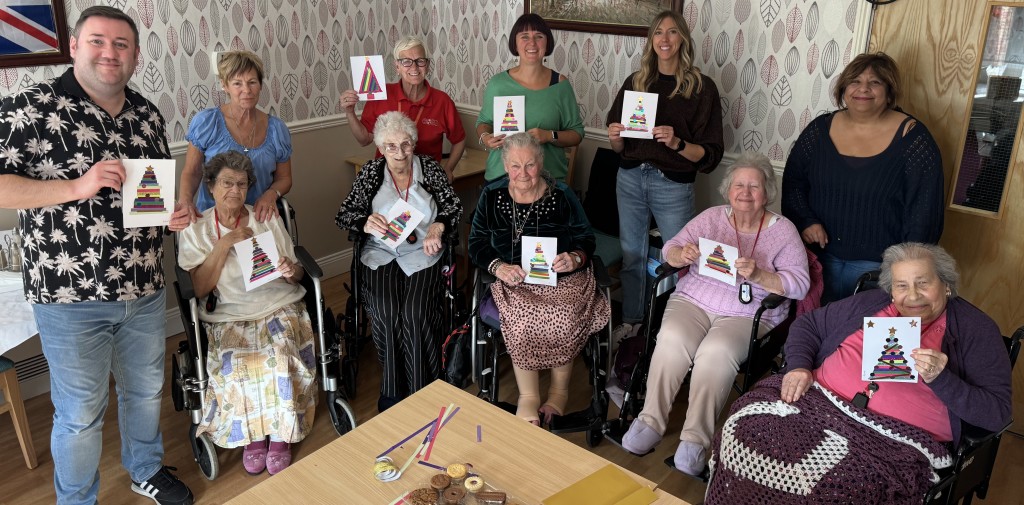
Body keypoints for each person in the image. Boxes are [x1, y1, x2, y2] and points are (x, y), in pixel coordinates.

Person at [0, 6, 194, 505]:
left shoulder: (147, 113)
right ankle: (77, 499)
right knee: (80, 412)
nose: (110, 52)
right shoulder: (28, 108)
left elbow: (148, 192)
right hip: (71, 298)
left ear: (134, 54)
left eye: (122, 44)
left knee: (145, 392)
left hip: (144, 289)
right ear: (75, 47)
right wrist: (76, 187)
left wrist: (172, 212)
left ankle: (144, 470)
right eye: (98, 41)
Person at [705, 243, 1012, 504]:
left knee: (839, 486)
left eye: (924, 283)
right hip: (816, 404)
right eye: (901, 286)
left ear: (946, 284)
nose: (912, 296)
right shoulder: (873, 304)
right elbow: (809, 325)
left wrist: (943, 379)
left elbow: (996, 414)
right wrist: (798, 365)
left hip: (893, 442)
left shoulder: (977, 330)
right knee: (742, 430)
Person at [618, 153, 809, 475]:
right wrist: (682, 254)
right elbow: (671, 248)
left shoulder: (783, 230)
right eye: (739, 185)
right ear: (727, 189)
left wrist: (761, 276)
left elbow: (800, 285)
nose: (745, 192)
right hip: (694, 299)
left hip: (747, 312)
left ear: (767, 192)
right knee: (671, 339)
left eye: (754, 186)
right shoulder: (711, 217)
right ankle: (650, 420)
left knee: (715, 354)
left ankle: (695, 439)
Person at [177, 151, 316, 476]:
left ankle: (281, 435)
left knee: (280, 354)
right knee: (236, 362)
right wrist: (224, 245)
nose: (235, 191)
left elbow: (296, 275)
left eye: (241, 184)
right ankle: (253, 436)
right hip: (228, 314)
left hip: (277, 303)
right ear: (210, 186)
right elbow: (197, 289)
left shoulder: (265, 217)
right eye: (227, 183)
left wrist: (288, 269)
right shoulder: (196, 229)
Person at [468, 133, 611, 425]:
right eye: (516, 166)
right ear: (506, 166)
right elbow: (476, 242)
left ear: (541, 163)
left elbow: (586, 238)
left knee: (567, 317)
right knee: (521, 320)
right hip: (514, 279)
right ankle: (529, 396)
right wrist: (498, 267)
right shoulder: (492, 195)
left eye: (530, 165)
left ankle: (559, 392)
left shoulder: (562, 194)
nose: (523, 173)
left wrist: (574, 258)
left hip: (563, 277)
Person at [782, 52, 944, 303]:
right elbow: (794, 184)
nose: (863, 89)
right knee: (813, 329)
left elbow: (924, 211)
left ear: (889, 92)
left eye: (875, 82)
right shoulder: (818, 130)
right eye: (855, 81)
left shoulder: (914, 139)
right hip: (817, 259)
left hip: (877, 268)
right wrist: (805, 220)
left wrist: (902, 268)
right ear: (844, 88)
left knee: (856, 338)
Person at [606, 10, 724, 339]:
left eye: (672, 32)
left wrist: (677, 142)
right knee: (633, 255)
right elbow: (619, 146)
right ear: (651, 41)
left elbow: (710, 155)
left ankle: (674, 326)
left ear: (683, 39)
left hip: (673, 184)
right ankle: (633, 320)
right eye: (659, 33)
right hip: (629, 177)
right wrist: (615, 138)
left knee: (681, 259)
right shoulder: (637, 82)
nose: (665, 39)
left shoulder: (702, 88)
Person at [335, 111, 462, 412]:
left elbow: (452, 206)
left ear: (414, 143)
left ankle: (423, 388)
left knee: (415, 311)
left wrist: (438, 226)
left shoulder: (429, 169)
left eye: (405, 144)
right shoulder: (371, 172)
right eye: (391, 146)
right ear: (380, 146)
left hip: (423, 253)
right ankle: (392, 389)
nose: (400, 152)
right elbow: (344, 214)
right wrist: (365, 221)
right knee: (386, 308)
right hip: (382, 254)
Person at [178, 50, 293, 223]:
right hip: (214, 220)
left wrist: (271, 194)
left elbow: (284, 178)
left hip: (258, 219)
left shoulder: (277, 129)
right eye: (237, 83)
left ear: (260, 85)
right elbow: (192, 172)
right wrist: (185, 201)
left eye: (252, 82)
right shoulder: (207, 122)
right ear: (225, 85)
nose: (246, 90)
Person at [340, 36, 466, 182]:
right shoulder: (382, 95)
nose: (414, 67)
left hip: (426, 180)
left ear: (427, 65)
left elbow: (459, 139)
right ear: (397, 67)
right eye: (406, 62)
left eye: (420, 61)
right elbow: (364, 139)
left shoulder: (442, 101)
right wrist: (350, 112)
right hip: (386, 180)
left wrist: (449, 168)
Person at [476, 13, 584, 182]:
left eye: (539, 36)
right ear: (515, 44)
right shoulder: (497, 84)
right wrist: (485, 138)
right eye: (524, 37)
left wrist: (549, 136)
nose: (532, 43)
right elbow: (483, 123)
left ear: (547, 43)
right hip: (502, 177)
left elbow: (577, 133)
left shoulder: (560, 85)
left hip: (548, 179)